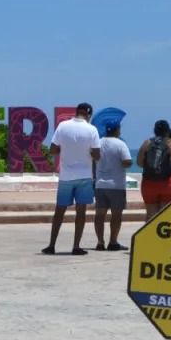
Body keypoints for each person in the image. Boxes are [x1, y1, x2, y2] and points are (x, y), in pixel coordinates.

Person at [42, 102, 101, 255]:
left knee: (59, 210)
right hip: (84, 176)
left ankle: (51, 245)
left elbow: (53, 150)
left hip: (66, 175)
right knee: (81, 211)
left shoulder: (62, 126)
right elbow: (97, 155)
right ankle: (76, 246)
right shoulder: (92, 129)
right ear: (88, 114)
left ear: (76, 112)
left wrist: (67, 149)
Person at [136, 120, 171, 221]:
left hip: (149, 183)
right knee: (167, 217)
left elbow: (139, 163)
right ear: (168, 131)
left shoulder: (147, 143)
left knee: (151, 216)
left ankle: (149, 236)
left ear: (155, 130)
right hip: (170, 183)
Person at [92, 119, 133, 251]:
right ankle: (113, 241)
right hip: (116, 185)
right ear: (117, 130)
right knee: (116, 215)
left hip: (100, 184)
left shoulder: (98, 142)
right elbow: (127, 161)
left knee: (99, 214)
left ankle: (100, 242)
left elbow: (93, 159)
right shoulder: (121, 144)